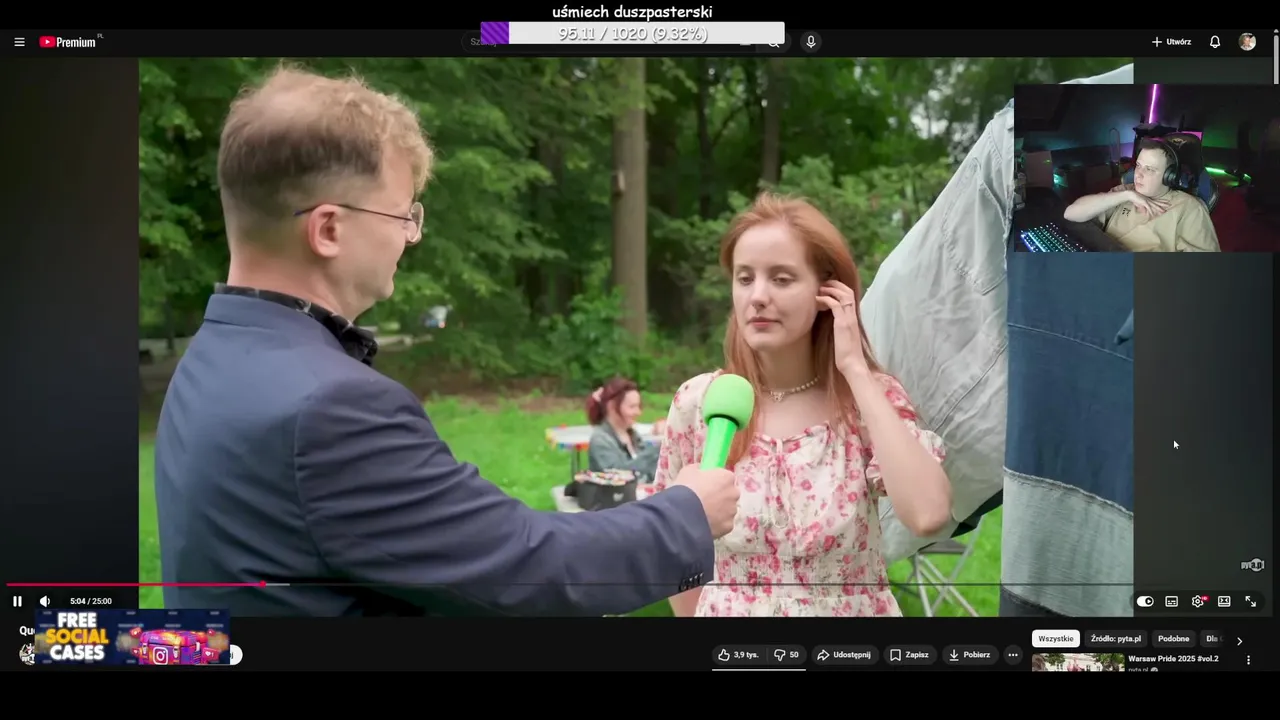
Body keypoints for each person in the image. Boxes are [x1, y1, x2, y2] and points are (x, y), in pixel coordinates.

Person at [152, 66, 739, 617]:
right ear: (328, 228)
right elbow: (523, 566)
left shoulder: (212, 357)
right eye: (401, 216)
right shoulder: (331, 408)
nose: (410, 237)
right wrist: (683, 516)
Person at [651, 192, 953, 617]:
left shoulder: (866, 401)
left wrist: (855, 370)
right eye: (744, 278)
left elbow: (928, 514)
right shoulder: (699, 403)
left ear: (826, 291)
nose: (757, 296)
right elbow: (675, 549)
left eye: (781, 279)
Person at [1062, 138, 1220, 252]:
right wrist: (1126, 195)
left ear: (1169, 177)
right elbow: (1071, 213)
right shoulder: (1126, 191)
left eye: (1149, 169)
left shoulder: (1189, 208)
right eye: (1138, 165)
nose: (1138, 174)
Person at [584, 377, 664, 484]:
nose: (638, 412)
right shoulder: (600, 441)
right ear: (612, 407)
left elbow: (648, 473)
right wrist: (658, 450)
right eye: (632, 407)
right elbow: (618, 477)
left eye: (638, 406)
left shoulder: (633, 435)